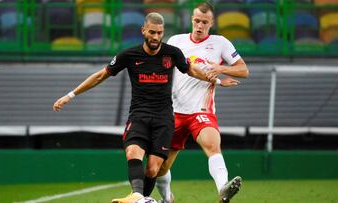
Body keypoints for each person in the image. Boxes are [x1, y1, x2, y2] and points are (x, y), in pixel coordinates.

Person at [53, 12, 233, 203]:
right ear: (143, 31)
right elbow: (100, 75)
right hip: (139, 115)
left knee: (154, 168)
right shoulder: (129, 55)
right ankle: (139, 197)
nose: (156, 37)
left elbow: (191, 70)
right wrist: (70, 95)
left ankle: (144, 198)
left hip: (164, 118)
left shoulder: (172, 53)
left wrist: (218, 82)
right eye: (152, 32)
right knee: (133, 152)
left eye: (160, 33)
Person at [155, 2, 249, 203]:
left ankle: (223, 190)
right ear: (191, 19)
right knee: (161, 166)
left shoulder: (221, 43)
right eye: (197, 21)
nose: (199, 26)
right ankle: (167, 198)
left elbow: (243, 70)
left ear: (211, 23)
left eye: (204, 22)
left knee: (212, 145)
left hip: (202, 111)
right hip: (173, 112)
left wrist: (221, 68)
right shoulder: (175, 41)